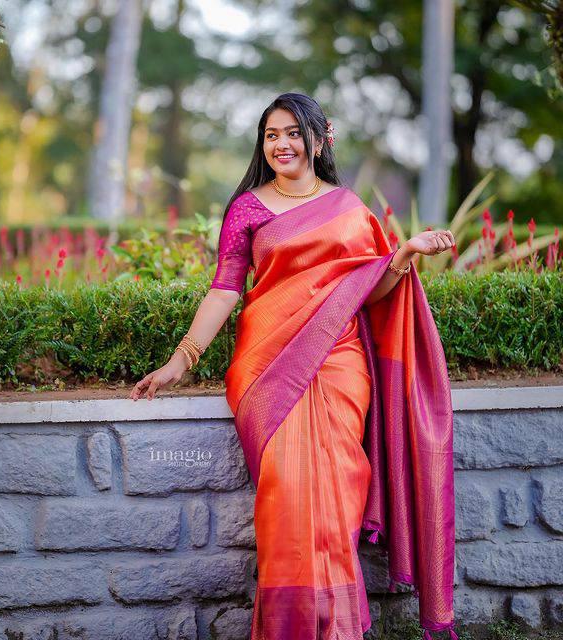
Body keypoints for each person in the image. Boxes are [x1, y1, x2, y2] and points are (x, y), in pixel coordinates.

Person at [130, 93, 459, 640]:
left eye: (290, 133)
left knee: (337, 493)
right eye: (270, 135)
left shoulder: (350, 209)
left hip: (338, 366)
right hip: (267, 368)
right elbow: (223, 290)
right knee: (284, 494)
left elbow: (367, 291)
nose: (280, 144)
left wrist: (404, 255)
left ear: (318, 139)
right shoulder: (249, 209)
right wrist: (179, 361)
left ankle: (337, 628)